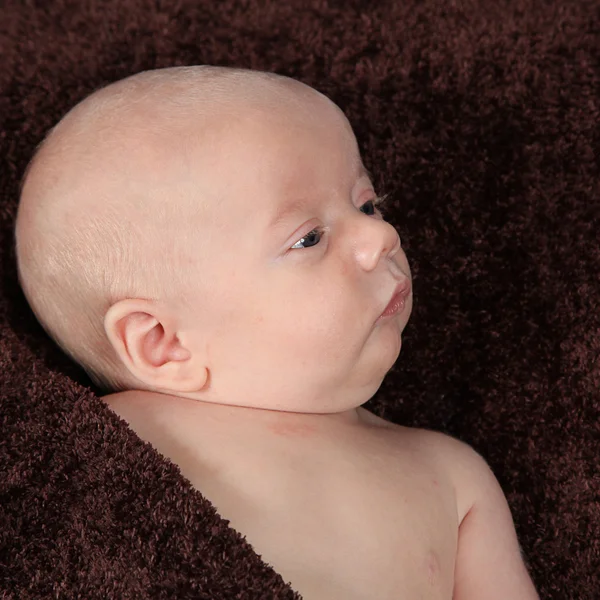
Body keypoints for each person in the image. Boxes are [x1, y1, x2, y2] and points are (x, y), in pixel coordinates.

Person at [14, 65, 539, 599]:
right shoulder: (116, 438)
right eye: (309, 238)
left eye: (366, 203)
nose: (381, 235)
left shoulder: (450, 475)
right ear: (163, 344)